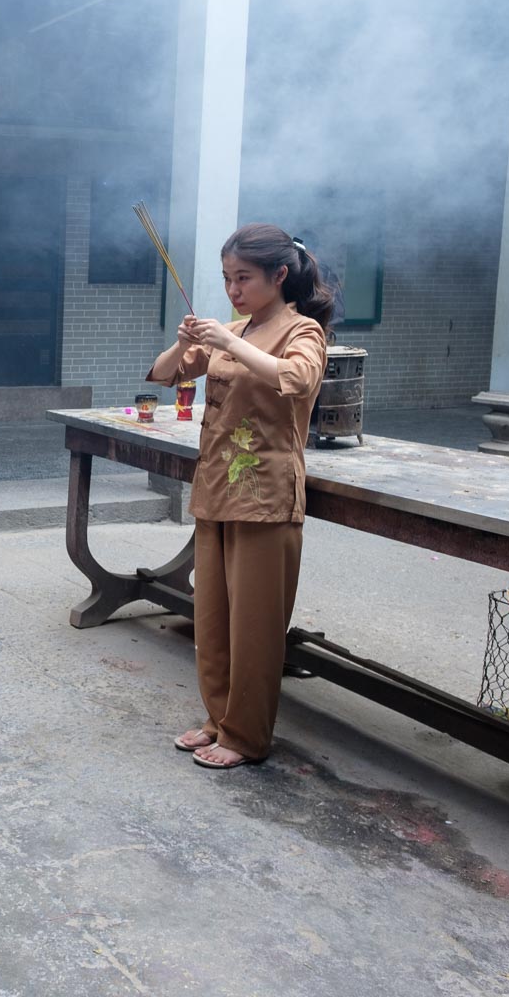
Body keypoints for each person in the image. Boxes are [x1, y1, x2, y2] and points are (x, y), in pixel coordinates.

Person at [146, 223, 337, 769]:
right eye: (228, 279)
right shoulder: (235, 329)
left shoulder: (302, 332)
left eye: (244, 278)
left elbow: (297, 380)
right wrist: (186, 342)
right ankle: (218, 721)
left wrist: (228, 342)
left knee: (254, 627)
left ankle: (247, 737)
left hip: (266, 496)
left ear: (279, 276)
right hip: (216, 488)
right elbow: (164, 375)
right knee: (213, 620)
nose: (233, 290)